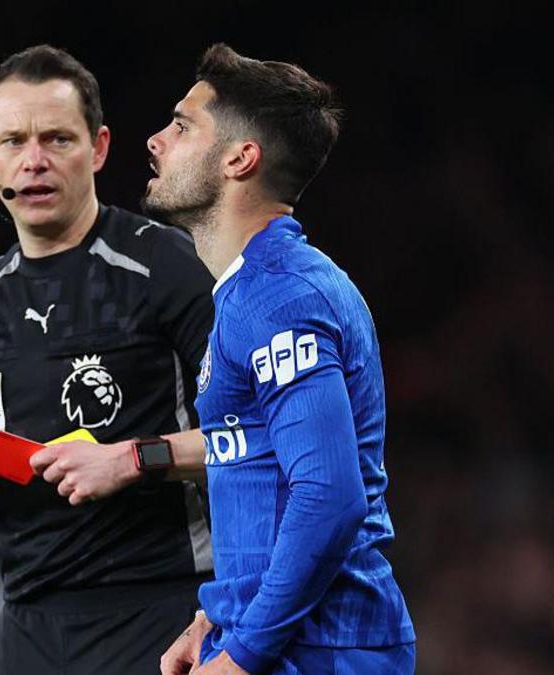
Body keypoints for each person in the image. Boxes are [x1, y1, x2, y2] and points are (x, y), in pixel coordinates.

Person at [0, 45, 217, 674]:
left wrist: (133, 458)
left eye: (57, 139)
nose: (34, 161)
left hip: (163, 614)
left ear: (98, 148)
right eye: (13, 141)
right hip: (28, 630)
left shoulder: (163, 267)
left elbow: (255, 438)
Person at [143, 44, 416, 674]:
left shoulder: (281, 298)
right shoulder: (252, 291)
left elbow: (328, 495)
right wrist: (217, 616)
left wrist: (241, 654)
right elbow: (262, 467)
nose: (157, 141)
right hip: (282, 639)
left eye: (182, 126)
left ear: (241, 158)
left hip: (322, 651)